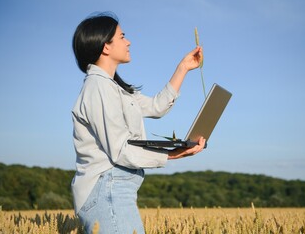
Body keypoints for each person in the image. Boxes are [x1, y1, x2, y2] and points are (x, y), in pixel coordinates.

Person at [71, 12, 206, 234]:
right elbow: (120, 150)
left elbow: (156, 107)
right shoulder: (98, 88)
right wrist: (172, 154)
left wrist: (183, 67)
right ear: (106, 47)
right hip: (107, 189)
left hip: (116, 189)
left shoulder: (114, 88)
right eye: (122, 36)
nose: (128, 41)